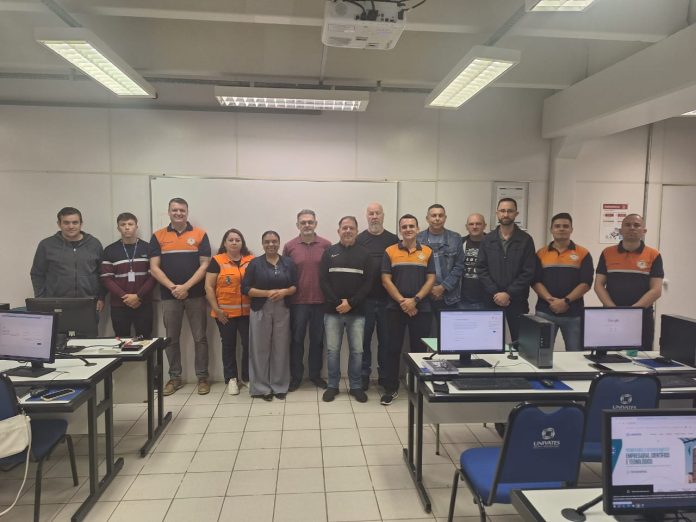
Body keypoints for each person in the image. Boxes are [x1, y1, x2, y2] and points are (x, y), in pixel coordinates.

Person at [149, 198, 212, 396]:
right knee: (171, 339)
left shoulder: (200, 234)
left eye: (182, 210)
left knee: (200, 338)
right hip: (169, 296)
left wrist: (186, 287)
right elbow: (154, 267)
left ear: (187, 212)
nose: (178, 213)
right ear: (168, 212)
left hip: (196, 295)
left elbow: (205, 265)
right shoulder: (158, 236)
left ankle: (202, 377)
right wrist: (173, 287)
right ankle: (175, 378)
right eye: (174, 210)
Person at [381, 214, 436, 406]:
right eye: (404, 227)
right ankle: (390, 388)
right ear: (400, 230)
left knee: (419, 351)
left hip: (422, 308)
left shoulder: (427, 251)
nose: (408, 229)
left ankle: (417, 388)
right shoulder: (390, 251)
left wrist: (415, 300)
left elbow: (431, 279)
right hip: (395, 308)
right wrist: (403, 302)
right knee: (392, 349)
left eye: (411, 226)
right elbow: (385, 280)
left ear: (418, 229)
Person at [319, 216, 373, 403]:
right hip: (332, 312)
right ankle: (333, 385)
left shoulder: (365, 254)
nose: (348, 231)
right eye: (344, 228)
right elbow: (323, 281)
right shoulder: (329, 252)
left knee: (357, 351)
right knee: (333, 351)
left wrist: (351, 303)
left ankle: (356, 386)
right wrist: (337, 303)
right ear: (339, 231)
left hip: (357, 312)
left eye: (351, 228)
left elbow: (368, 283)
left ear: (357, 231)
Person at [594, 213, 664, 351]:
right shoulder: (607, 253)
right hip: (611, 316)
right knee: (609, 357)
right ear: (620, 230)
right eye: (627, 225)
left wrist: (633, 312)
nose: (632, 228)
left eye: (637, 225)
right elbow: (598, 285)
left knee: (640, 358)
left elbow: (656, 290)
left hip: (641, 317)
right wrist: (612, 309)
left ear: (644, 231)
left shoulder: (654, 255)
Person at [243, 231, 297, 401]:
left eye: (274, 241)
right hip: (260, 308)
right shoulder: (255, 263)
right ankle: (261, 388)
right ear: (262, 244)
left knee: (281, 348)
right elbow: (245, 288)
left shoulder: (288, 262)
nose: (271, 244)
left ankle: (279, 385)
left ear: (279, 243)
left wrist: (284, 292)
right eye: (267, 242)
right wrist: (266, 293)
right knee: (260, 348)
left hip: (282, 308)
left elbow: (295, 286)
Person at [282, 209, 331, 391]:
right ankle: (296, 377)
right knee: (296, 341)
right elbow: (284, 273)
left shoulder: (326, 245)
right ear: (298, 225)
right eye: (303, 222)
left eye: (310, 222)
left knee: (317, 341)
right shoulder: (289, 246)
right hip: (297, 302)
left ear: (315, 224)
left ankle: (315, 375)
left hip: (321, 301)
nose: (307, 225)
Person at [476, 198, 536, 343]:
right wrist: (496, 293)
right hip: (491, 299)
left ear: (516, 213)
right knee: (490, 343)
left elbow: (528, 271)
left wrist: (508, 293)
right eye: (502, 211)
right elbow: (481, 268)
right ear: (497, 213)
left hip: (517, 300)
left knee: (521, 343)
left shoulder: (526, 240)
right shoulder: (487, 240)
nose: (506, 214)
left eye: (510, 211)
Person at [532, 213, 593, 351]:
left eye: (565, 226)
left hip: (574, 313)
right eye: (557, 226)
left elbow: (586, 283)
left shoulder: (583, 253)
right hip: (545, 311)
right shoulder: (541, 253)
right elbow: (535, 281)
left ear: (571, 229)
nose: (561, 229)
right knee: (541, 353)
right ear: (551, 229)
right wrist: (551, 301)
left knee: (576, 354)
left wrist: (565, 301)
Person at [205, 229, 254, 395]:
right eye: (230, 240)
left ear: (242, 243)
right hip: (225, 315)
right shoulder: (217, 260)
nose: (234, 242)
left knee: (248, 345)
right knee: (228, 346)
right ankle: (231, 379)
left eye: (237, 240)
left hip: (248, 313)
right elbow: (209, 287)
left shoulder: (251, 260)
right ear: (225, 243)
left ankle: (247, 377)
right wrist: (217, 310)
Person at [30, 207, 105, 317]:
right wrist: (42, 301)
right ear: (59, 224)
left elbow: (102, 273)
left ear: (81, 223)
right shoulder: (46, 245)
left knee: (87, 329)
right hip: (56, 305)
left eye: (75, 222)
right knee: (58, 329)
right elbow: (37, 274)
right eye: (66, 223)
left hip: (89, 303)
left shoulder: (94, 244)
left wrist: (101, 297)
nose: (71, 226)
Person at [356, 202, 398, 391]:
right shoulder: (359, 239)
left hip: (387, 300)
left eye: (377, 213)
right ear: (367, 216)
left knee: (386, 342)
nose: (374, 217)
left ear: (383, 215)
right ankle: (364, 376)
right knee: (363, 341)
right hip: (365, 300)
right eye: (371, 213)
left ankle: (385, 376)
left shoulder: (393, 239)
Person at [100, 212, 156, 338]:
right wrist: (125, 297)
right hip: (119, 305)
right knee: (121, 340)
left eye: (130, 224)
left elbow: (154, 276)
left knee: (145, 340)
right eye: (123, 224)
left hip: (143, 303)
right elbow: (106, 279)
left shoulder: (148, 248)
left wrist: (138, 296)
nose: (127, 227)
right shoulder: (110, 250)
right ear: (118, 228)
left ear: (136, 226)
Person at [416, 205, 465, 326]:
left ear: (445, 218)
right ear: (427, 218)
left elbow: (459, 266)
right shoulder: (417, 239)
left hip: (449, 296)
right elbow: (415, 268)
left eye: (440, 215)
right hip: (423, 296)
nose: (437, 218)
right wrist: (429, 289)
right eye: (433, 215)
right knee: (423, 332)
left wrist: (442, 287)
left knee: (448, 334)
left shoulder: (455, 238)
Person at [460, 213, 487, 309]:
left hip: (487, 299)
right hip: (463, 299)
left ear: (485, 226)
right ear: (466, 227)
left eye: (478, 224)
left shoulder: (493, 243)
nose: (474, 227)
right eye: (471, 224)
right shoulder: (460, 243)